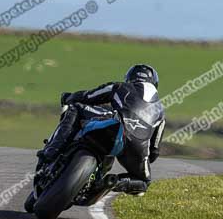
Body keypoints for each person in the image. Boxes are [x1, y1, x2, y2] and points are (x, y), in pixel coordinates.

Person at [37, 64, 165, 195]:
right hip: (138, 149)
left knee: (76, 107)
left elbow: (88, 96)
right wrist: (140, 158)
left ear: (130, 78)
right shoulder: (161, 111)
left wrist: (69, 97)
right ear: (155, 83)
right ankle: (113, 182)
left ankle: (52, 150)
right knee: (143, 182)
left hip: (114, 129)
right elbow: (154, 151)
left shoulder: (119, 87)